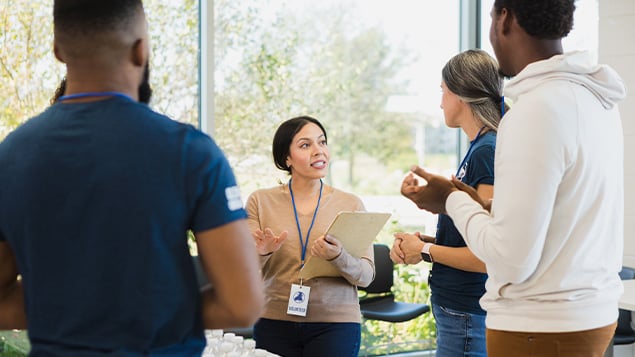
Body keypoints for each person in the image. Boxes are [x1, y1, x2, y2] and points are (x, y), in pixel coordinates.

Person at [0, 1, 264, 355]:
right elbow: (242, 304)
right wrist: (147, 311)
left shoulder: (10, 156)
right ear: (141, 51)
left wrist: (73, 313)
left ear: (58, 50)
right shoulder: (191, 153)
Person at [400, 0, 627, 356]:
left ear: (504, 18)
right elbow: (559, 211)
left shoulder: (535, 110)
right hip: (588, 316)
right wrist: (479, 205)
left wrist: (451, 201)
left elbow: (509, 259)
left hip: (538, 326)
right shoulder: (596, 100)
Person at [390, 49, 504, 357]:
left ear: (461, 95)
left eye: (443, 91)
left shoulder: (487, 151)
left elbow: (486, 254)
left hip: (467, 310)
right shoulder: (479, 149)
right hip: (459, 309)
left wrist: (425, 250)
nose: (440, 102)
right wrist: (423, 243)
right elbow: (472, 233)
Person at [246, 116, 375, 357]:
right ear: (286, 158)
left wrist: (338, 256)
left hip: (335, 324)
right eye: (305, 145)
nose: (319, 151)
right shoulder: (260, 201)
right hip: (273, 320)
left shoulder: (350, 204)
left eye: (322, 142)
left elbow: (366, 276)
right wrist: (262, 252)